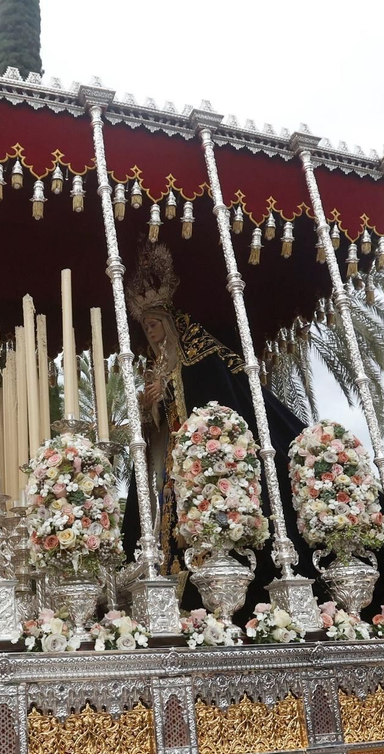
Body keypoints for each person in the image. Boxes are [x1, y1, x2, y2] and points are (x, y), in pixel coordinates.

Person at [120, 242, 312, 612]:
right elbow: (158, 426)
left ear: (171, 324)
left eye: (155, 323)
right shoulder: (153, 369)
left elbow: (212, 399)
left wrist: (172, 388)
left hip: (201, 461)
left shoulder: (200, 358)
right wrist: (148, 410)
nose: (150, 332)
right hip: (171, 461)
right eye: (145, 327)